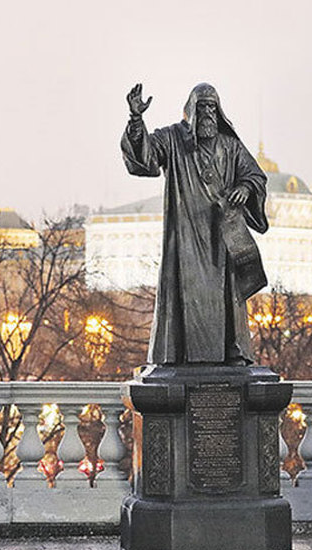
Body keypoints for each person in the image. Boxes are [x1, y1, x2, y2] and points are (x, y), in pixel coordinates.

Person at [121, 83, 269, 365]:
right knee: (183, 293)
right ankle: (179, 354)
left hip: (222, 236)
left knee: (226, 295)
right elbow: (146, 159)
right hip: (186, 235)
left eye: (213, 107)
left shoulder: (231, 146)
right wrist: (136, 119)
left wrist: (246, 188)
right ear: (192, 110)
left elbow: (255, 176)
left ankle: (232, 352)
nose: (208, 113)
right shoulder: (173, 139)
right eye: (202, 107)